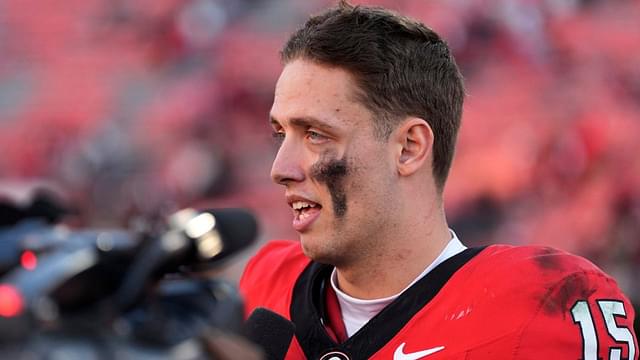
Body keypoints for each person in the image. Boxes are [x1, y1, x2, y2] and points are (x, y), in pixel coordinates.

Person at [239, 1, 638, 359]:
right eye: (281, 134)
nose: (280, 168)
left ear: (409, 148)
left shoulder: (541, 304)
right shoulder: (263, 286)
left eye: (315, 134)